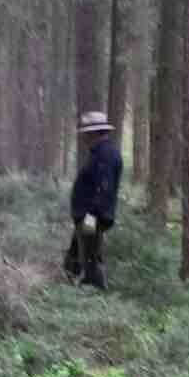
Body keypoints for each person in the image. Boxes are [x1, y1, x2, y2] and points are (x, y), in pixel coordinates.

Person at [63, 111, 123, 290]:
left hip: (92, 216)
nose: (83, 137)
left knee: (90, 256)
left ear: (94, 133)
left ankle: (95, 293)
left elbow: (104, 188)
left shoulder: (105, 155)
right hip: (89, 215)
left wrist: (91, 214)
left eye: (86, 134)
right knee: (77, 252)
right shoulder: (100, 153)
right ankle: (72, 285)